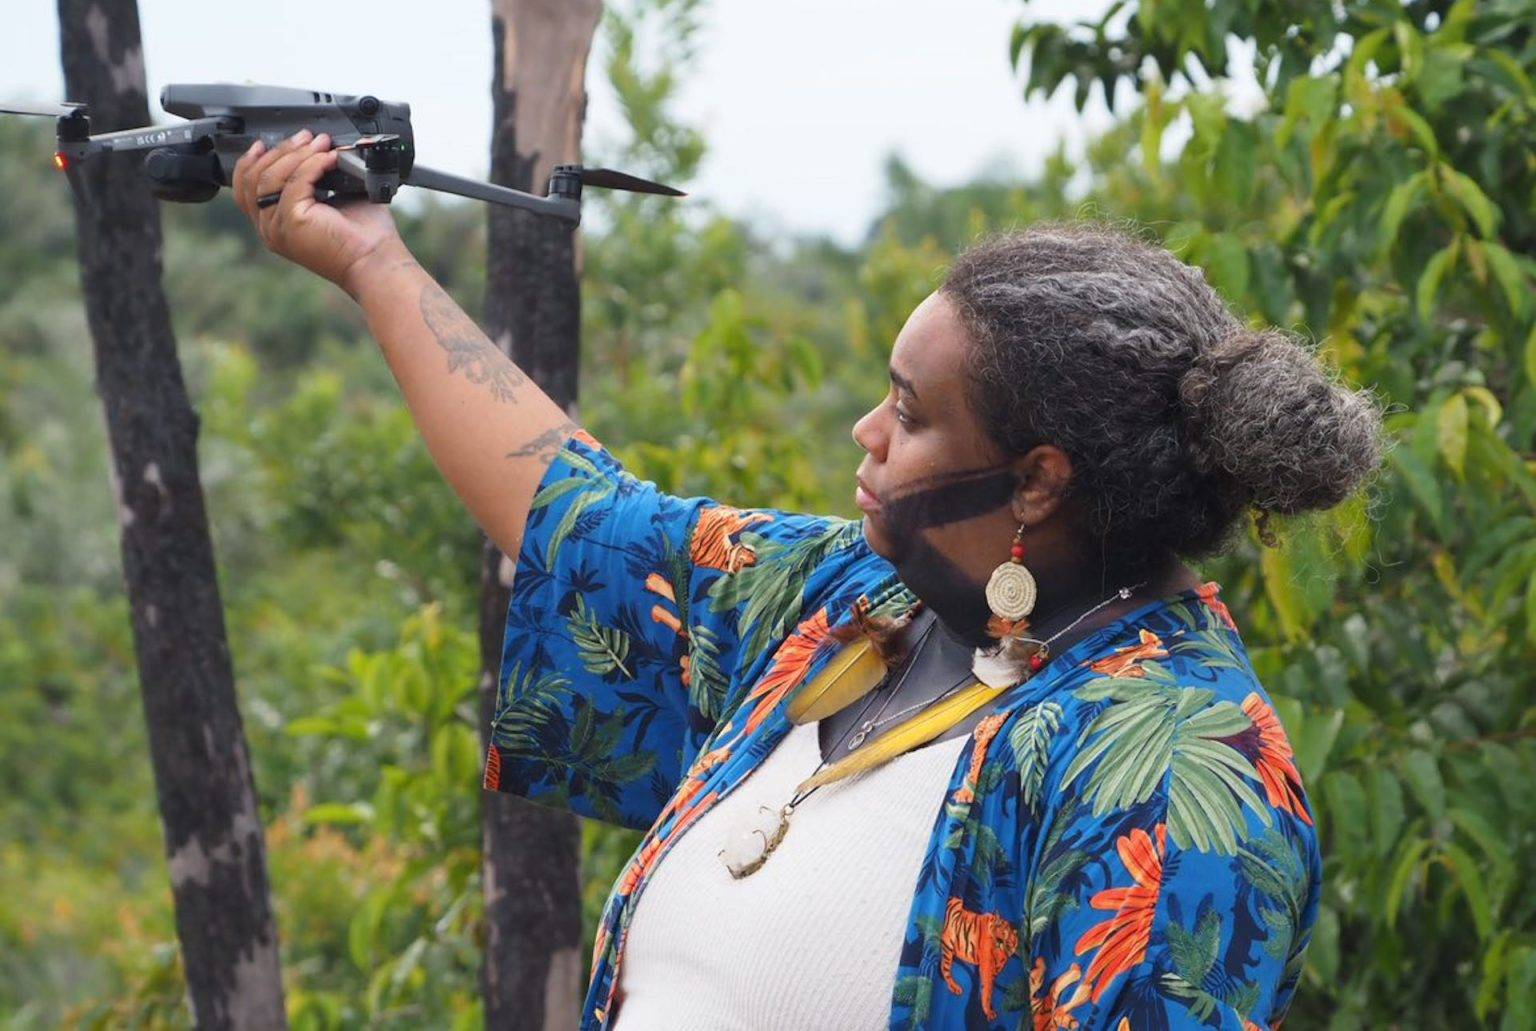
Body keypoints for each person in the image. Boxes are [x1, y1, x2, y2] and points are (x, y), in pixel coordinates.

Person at [231, 131, 1383, 1030]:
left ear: (1037, 480)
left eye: (910, 413)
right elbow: (579, 516)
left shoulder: (1175, 777)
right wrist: (371, 259)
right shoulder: (860, 606)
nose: (866, 429)